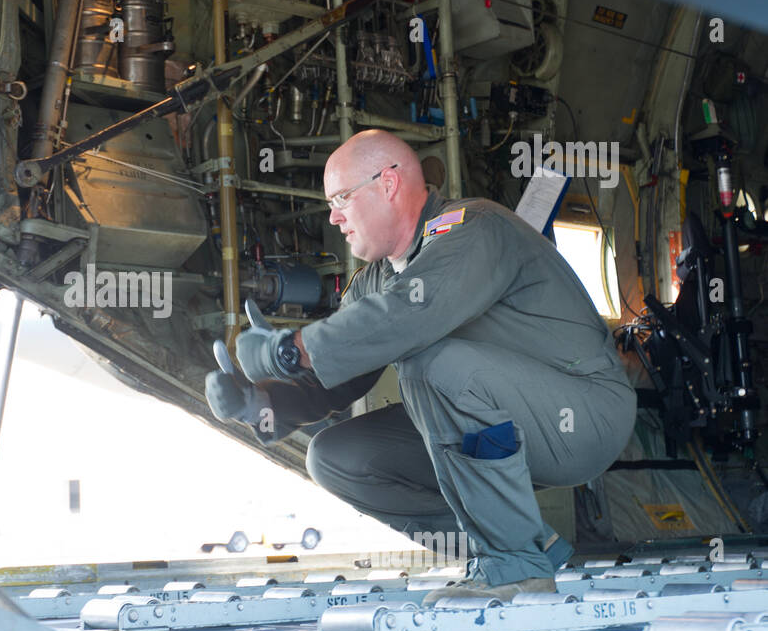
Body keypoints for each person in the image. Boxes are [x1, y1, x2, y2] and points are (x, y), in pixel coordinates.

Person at [206, 129, 636, 602]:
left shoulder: (473, 228)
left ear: (388, 183)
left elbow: (408, 317)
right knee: (335, 458)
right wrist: (261, 402)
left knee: (429, 360)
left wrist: (289, 349)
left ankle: (514, 566)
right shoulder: (376, 279)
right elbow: (345, 369)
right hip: (505, 426)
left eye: (341, 198)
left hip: (582, 414)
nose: (333, 216)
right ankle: (515, 545)